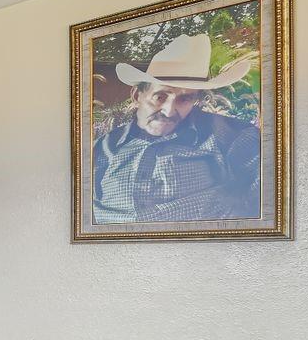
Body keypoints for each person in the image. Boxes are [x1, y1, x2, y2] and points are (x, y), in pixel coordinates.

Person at [92, 33, 259, 223]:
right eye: (160, 96)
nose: (169, 111)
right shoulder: (100, 149)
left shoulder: (230, 136)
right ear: (137, 95)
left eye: (185, 98)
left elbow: (268, 202)